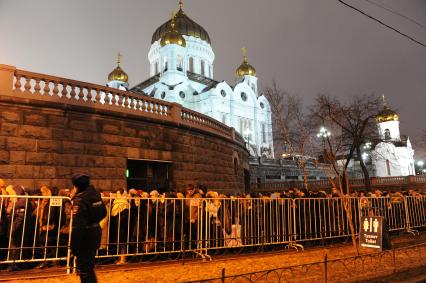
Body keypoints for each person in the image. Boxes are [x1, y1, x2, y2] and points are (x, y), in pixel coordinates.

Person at [70, 174, 106, 283]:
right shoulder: (95, 195)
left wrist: (74, 246)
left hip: (85, 236)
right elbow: (103, 212)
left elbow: (78, 225)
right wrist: (93, 220)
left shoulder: (81, 199)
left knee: (84, 268)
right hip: (95, 232)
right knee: (89, 266)